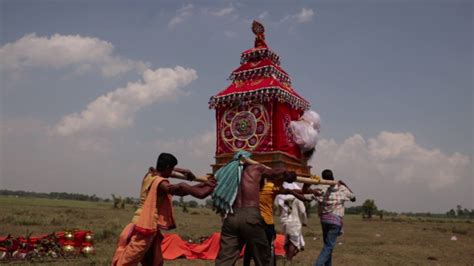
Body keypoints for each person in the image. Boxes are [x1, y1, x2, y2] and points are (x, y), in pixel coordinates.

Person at [112, 153, 216, 266]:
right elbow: (182, 191)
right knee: (127, 262)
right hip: (144, 228)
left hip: (142, 225)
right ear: (167, 167)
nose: (172, 172)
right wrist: (206, 185)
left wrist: (185, 171)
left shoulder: (150, 175)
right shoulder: (161, 183)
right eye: (171, 169)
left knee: (155, 262)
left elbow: (176, 180)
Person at [214, 152, 297, 266]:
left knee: (224, 260)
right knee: (263, 258)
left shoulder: (227, 174)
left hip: (231, 216)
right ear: (249, 159)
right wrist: (286, 172)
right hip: (251, 216)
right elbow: (274, 172)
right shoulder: (256, 168)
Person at [243, 178, 308, 266]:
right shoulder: (271, 188)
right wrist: (305, 221)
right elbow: (303, 209)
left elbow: (279, 209)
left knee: (251, 245)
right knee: (291, 243)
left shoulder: (251, 189)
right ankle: (287, 260)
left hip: (277, 222)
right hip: (282, 223)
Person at [311, 169, 355, 266]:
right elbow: (353, 198)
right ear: (332, 176)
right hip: (335, 221)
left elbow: (309, 196)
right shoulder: (341, 188)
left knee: (327, 246)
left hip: (324, 220)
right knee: (328, 246)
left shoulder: (321, 189)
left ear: (323, 178)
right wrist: (345, 184)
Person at [276, 182, 309, 261]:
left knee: (287, 241)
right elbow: (303, 211)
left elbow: (280, 211)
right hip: (294, 223)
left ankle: (288, 257)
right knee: (293, 243)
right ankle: (289, 260)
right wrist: (305, 221)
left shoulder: (281, 197)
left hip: (284, 222)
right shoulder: (298, 198)